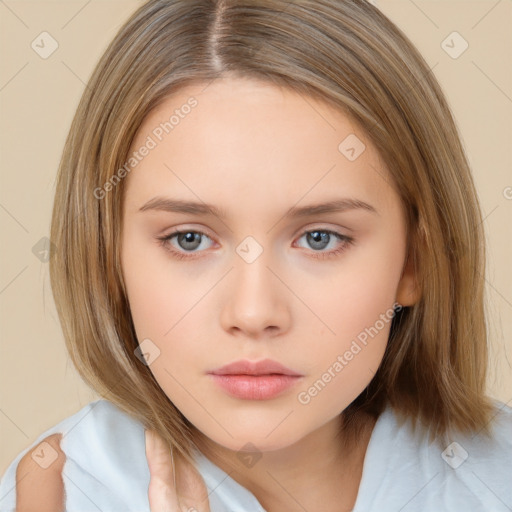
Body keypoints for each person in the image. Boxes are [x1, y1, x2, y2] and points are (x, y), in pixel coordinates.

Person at [1, 0, 511, 511]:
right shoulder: (64, 493)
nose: (253, 313)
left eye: (319, 238)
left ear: (413, 263)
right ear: (109, 257)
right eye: (189, 239)